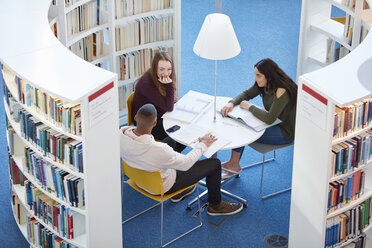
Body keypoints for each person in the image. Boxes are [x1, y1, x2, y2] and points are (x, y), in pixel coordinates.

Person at [120, 104, 243, 216]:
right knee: (215, 164)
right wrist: (203, 144)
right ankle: (215, 205)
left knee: (172, 140)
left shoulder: (120, 134)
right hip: (162, 185)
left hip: (138, 177)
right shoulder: (159, 149)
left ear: (135, 117)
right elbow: (186, 164)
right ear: (154, 123)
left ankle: (182, 191)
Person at [220, 58, 297, 179]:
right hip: (274, 122)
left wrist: (250, 107)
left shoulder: (281, 90)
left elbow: (269, 119)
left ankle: (234, 165)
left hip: (285, 131)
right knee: (241, 122)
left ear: (269, 76)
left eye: (258, 75)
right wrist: (231, 102)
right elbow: (246, 94)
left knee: (243, 130)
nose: (255, 79)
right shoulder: (264, 84)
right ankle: (233, 163)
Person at [132, 51, 177, 141]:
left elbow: (168, 103)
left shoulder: (159, 77)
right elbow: (169, 107)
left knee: (181, 128)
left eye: (169, 69)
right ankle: (168, 153)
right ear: (155, 68)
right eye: (162, 69)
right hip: (146, 123)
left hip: (159, 113)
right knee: (177, 133)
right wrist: (169, 85)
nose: (166, 73)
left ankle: (171, 152)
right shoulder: (146, 84)